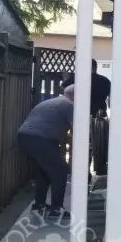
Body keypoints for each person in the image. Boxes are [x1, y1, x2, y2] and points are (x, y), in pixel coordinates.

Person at [18, 85, 75, 223]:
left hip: (24, 136)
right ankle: (56, 209)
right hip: (42, 139)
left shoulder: (50, 102)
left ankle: (39, 204)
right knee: (60, 171)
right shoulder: (70, 105)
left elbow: (50, 125)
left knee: (42, 172)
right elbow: (78, 129)